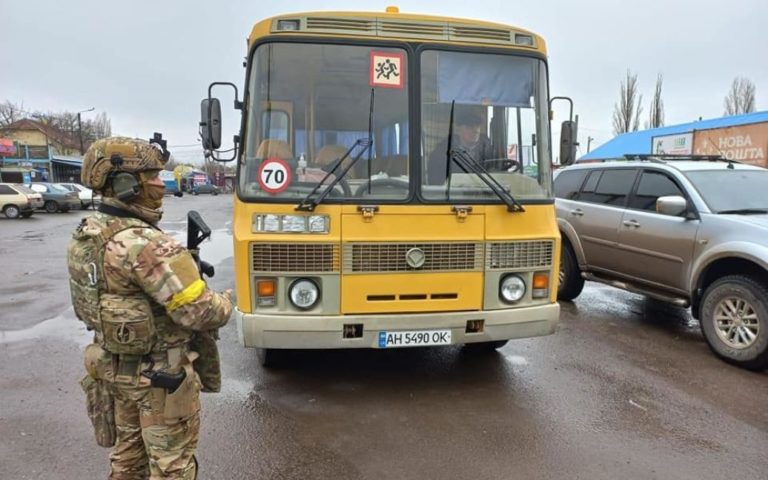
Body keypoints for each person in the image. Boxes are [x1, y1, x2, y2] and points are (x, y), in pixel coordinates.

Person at [68, 135, 233, 479]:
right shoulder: (145, 243)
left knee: (127, 459)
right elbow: (200, 311)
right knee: (172, 466)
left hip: (115, 369)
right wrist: (226, 300)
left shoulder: (89, 232)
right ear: (127, 184)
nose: (162, 183)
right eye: (154, 176)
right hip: (159, 379)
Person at [426, 108, 495, 185]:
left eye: (477, 126)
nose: (475, 130)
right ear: (458, 129)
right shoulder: (441, 155)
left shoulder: (490, 153)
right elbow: (436, 186)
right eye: (469, 126)